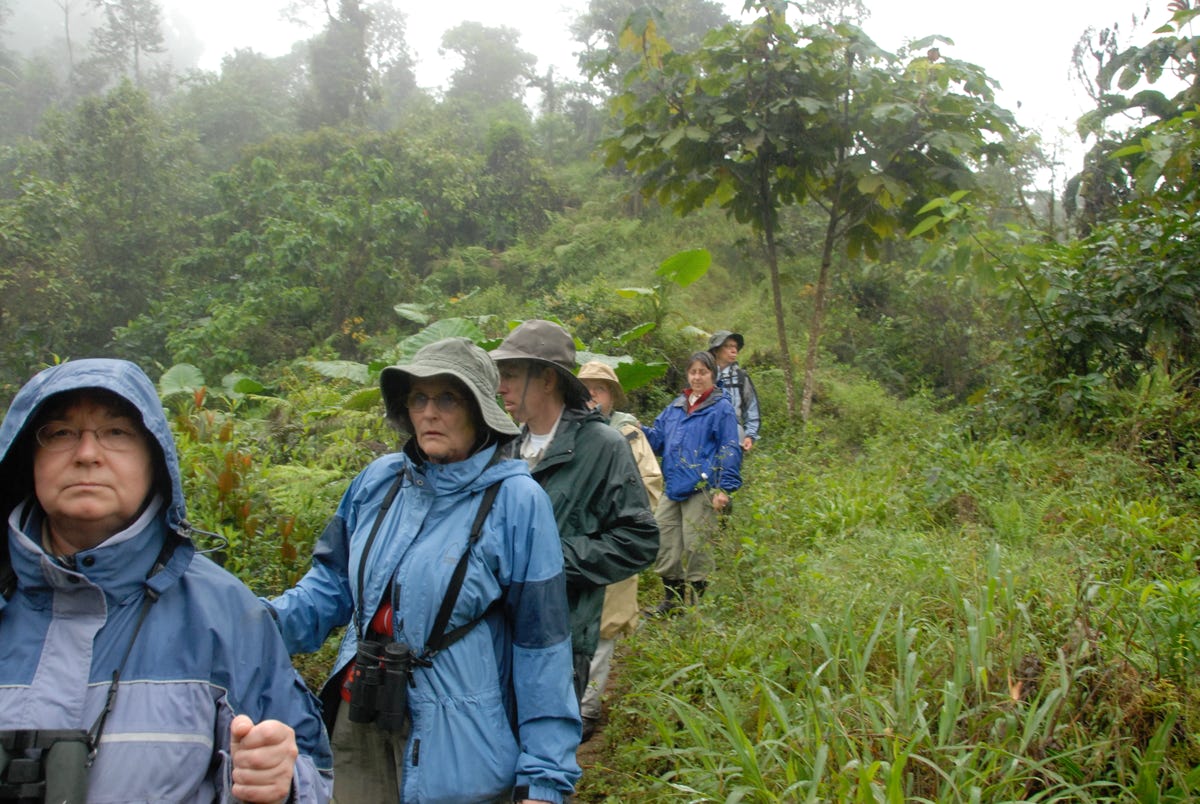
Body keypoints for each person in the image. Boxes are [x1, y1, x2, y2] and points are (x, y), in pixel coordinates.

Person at [0, 358, 332, 804]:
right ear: (28, 458)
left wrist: (284, 783)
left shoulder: (226, 613)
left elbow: (311, 772)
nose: (87, 454)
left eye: (116, 432)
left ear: (154, 459)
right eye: (60, 433)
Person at [268, 337, 580, 804]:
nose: (430, 413)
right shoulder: (379, 482)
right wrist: (252, 621)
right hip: (360, 714)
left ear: (479, 411)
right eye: (418, 398)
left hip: (458, 736)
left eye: (448, 398)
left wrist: (544, 776)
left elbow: (542, 644)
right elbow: (330, 584)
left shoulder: (516, 501)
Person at [490, 320, 660, 705]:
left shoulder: (602, 446)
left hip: (561, 638)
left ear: (548, 380)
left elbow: (639, 541)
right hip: (501, 633)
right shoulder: (506, 447)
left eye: (511, 375)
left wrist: (550, 560)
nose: (501, 387)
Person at [575, 361, 663, 743]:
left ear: (611, 395)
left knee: (603, 630)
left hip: (612, 547)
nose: (592, 396)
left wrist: (615, 523)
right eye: (586, 389)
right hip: (572, 550)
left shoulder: (629, 434)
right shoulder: (566, 431)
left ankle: (587, 708)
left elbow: (650, 486)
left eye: (600, 389)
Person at [642, 351, 742, 616]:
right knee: (664, 540)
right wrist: (637, 429)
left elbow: (730, 447)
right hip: (673, 486)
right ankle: (671, 602)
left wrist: (724, 488)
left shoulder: (721, 408)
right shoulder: (676, 407)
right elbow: (658, 441)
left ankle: (697, 609)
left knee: (697, 546)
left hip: (702, 488)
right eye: (693, 372)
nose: (697, 377)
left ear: (713, 375)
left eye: (703, 372)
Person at [708, 330, 761, 453]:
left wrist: (750, 435)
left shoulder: (741, 377)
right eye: (728, 346)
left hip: (733, 434)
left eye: (735, 347)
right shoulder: (704, 374)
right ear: (716, 350)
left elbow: (751, 408)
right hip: (706, 433)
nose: (734, 350)